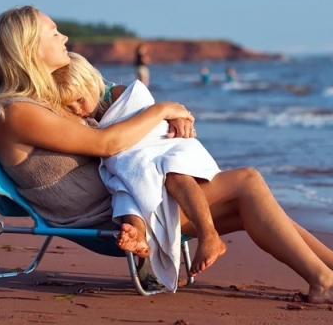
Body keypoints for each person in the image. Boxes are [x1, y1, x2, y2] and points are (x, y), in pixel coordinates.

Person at [0, 5, 333, 307]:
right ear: (27, 48)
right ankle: (328, 279)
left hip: (130, 203)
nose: (64, 36)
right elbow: (107, 144)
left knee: (253, 200)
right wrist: (164, 109)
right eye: (53, 32)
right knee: (247, 183)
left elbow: (107, 96)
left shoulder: (48, 99)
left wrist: (156, 109)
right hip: (114, 217)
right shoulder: (17, 112)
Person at [55, 52, 226, 285]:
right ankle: (137, 235)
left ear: (90, 83)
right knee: (124, 188)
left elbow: (144, 109)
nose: (76, 109)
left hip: (160, 149)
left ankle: (209, 234)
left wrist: (170, 116)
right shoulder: (85, 118)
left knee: (174, 173)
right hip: (130, 160)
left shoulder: (120, 95)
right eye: (69, 106)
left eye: (79, 100)